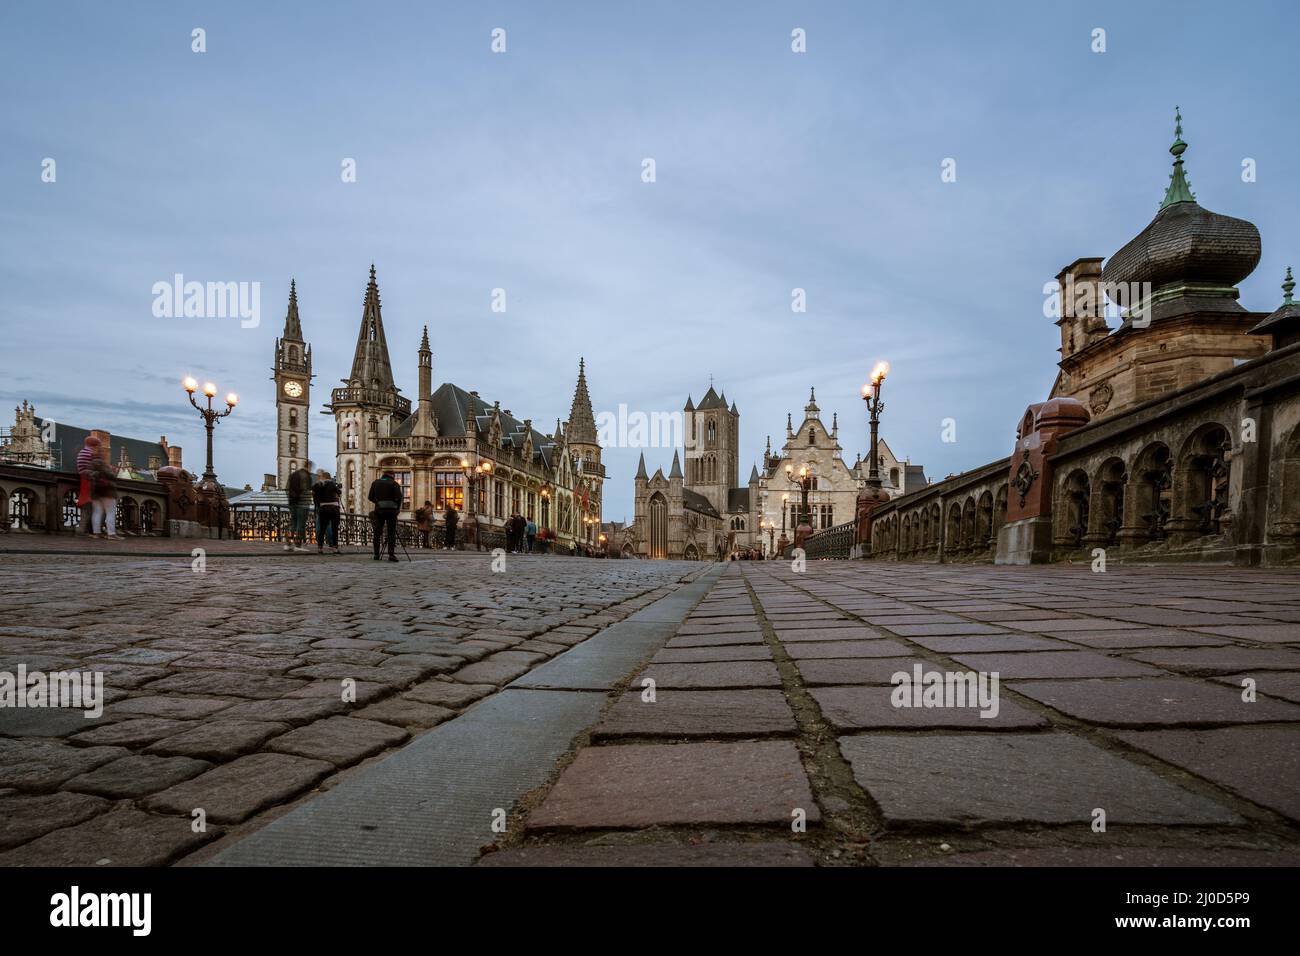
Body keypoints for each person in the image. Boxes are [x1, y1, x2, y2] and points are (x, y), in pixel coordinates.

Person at [367, 470, 402, 562]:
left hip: (379, 511)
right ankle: (391, 554)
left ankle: (376, 554)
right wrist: (397, 508)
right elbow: (399, 498)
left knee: (377, 532)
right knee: (391, 533)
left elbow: (370, 497)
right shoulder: (394, 484)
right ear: (392, 475)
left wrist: (379, 503)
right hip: (391, 511)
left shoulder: (375, 483)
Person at [88, 456, 120, 539]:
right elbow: (112, 476)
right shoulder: (102, 465)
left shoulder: (91, 467)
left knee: (97, 512)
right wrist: (114, 471)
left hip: (96, 492)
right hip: (108, 492)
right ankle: (111, 534)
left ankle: (96, 533)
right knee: (110, 513)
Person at [286, 460, 314, 552]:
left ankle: (288, 544)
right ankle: (298, 544)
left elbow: (287, 489)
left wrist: (291, 500)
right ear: (308, 466)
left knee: (293, 523)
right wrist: (307, 500)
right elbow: (306, 490)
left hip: (292, 503)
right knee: (300, 525)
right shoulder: (306, 476)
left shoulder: (293, 475)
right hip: (302, 504)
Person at [312, 469, 342, 554]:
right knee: (334, 529)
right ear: (329, 477)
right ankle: (335, 548)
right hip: (333, 509)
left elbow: (314, 492)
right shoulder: (332, 483)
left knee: (322, 528)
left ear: (323, 477)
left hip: (323, 508)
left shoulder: (319, 485)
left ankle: (320, 548)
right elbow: (339, 492)